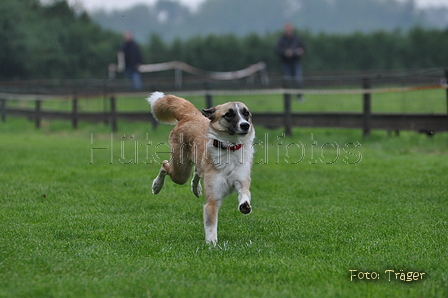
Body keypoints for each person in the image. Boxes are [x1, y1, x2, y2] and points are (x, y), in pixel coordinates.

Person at [275, 23, 305, 101]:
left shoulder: (297, 39)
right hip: (286, 63)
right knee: (287, 80)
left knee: (298, 79)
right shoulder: (281, 39)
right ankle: (288, 98)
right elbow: (277, 50)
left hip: (295, 62)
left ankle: (299, 96)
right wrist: (285, 52)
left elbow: (303, 49)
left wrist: (297, 52)